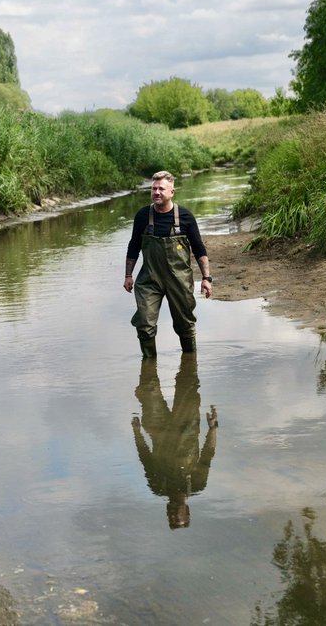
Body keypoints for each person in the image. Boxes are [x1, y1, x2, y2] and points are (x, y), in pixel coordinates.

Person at [123, 170, 212, 358]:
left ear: (172, 191)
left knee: (185, 325)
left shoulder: (185, 217)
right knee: (144, 324)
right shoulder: (143, 216)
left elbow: (199, 249)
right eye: (153, 188)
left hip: (179, 280)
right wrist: (128, 275)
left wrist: (206, 278)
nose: (156, 192)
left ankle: (189, 363)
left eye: (161, 189)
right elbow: (133, 246)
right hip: (149, 280)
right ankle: (149, 369)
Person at [131, 356, 218, 529]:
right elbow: (208, 455)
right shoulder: (197, 483)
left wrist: (137, 432)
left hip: (158, 427)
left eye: (169, 517)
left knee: (148, 389)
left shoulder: (157, 486)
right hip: (188, 425)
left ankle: (149, 358)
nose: (171, 513)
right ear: (187, 511)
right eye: (176, 517)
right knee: (189, 384)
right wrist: (213, 429)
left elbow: (145, 457)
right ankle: (186, 349)